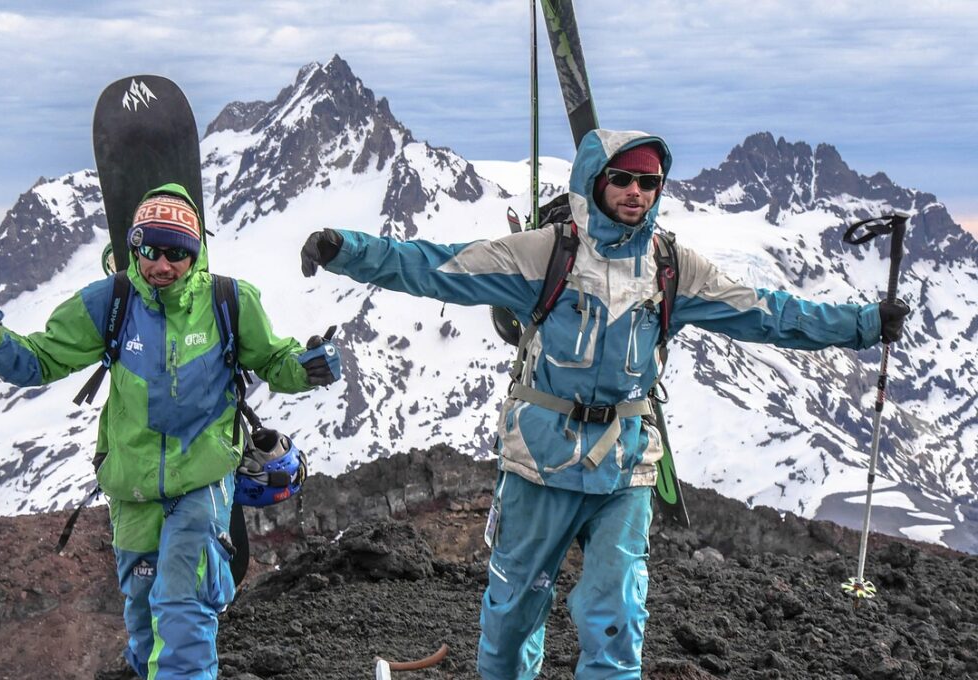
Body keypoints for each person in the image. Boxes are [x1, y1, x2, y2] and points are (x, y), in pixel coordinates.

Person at [299, 130, 909, 679]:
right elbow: (435, 267)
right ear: (595, 181)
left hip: (625, 464)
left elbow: (765, 313)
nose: (636, 192)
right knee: (511, 618)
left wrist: (861, 324)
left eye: (649, 182)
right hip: (541, 463)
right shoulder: (544, 255)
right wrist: (343, 250)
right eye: (623, 178)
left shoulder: (671, 268)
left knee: (617, 617)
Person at [0, 182, 342, 680]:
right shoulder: (111, 301)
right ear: (133, 247)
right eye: (150, 249)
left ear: (195, 253)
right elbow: (40, 360)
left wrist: (306, 368)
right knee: (143, 620)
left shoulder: (229, 301)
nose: (162, 264)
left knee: (183, 606)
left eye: (177, 252)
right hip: (132, 487)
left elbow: (274, 359)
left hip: (202, 479)